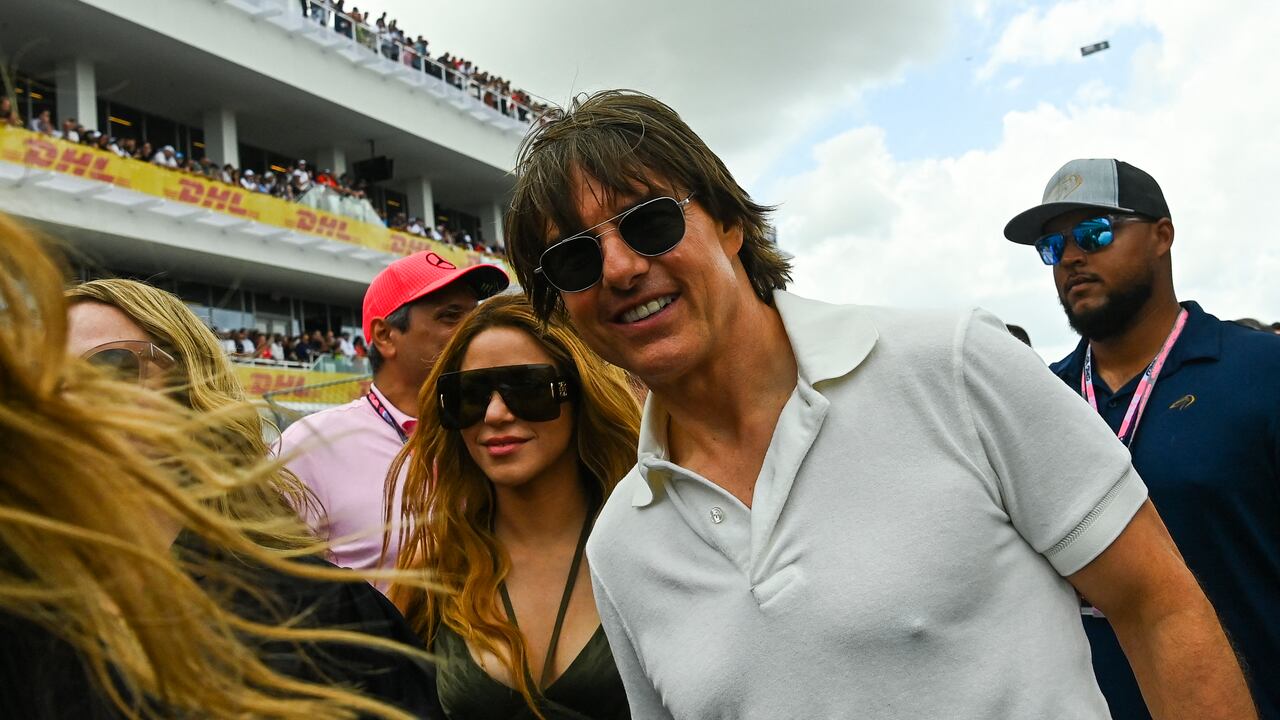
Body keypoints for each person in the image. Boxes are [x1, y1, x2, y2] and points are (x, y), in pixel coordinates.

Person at [501, 90, 1256, 719]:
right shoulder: (622, 548)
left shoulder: (954, 367)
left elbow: (1160, 609)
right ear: (560, 306)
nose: (622, 268)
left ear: (730, 223)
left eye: (651, 222)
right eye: (575, 258)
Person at [0, 215, 442, 719]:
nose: (69, 401)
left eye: (109, 367)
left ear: (191, 390)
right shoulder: (21, 618)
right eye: (42, 385)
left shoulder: (324, 612)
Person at [1004, 158, 1280, 719]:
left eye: (1095, 232)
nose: (1073, 257)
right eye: (1053, 248)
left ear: (1162, 236)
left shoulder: (1261, 372)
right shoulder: (1036, 401)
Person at [388, 294, 639, 718]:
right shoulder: (432, 570)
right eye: (469, 395)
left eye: (526, 388)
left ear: (578, 394)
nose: (495, 413)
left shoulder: (652, 546)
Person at [280, 251, 508, 575]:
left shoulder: (497, 425)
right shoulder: (312, 445)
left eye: (475, 316)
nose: (475, 331)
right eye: (451, 316)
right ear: (386, 336)